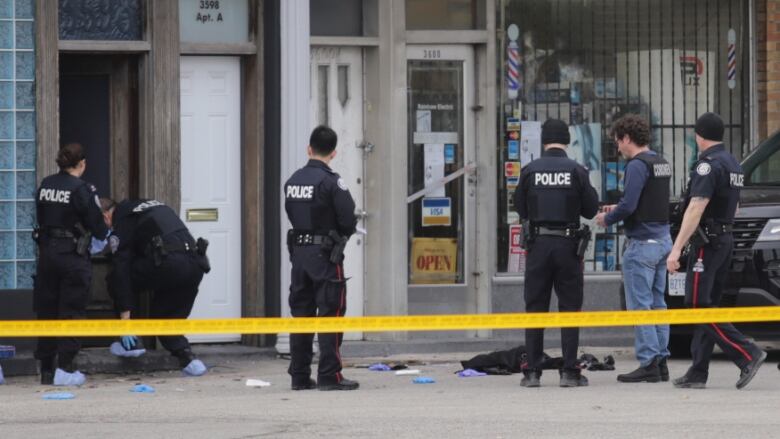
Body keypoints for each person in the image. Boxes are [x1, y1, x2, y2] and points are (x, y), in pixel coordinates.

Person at [666, 112, 767, 389]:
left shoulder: (707, 166)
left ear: (699, 135)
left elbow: (696, 206)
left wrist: (676, 250)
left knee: (697, 305)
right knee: (709, 305)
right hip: (724, 240)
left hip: (707, 244)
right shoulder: (733, 163)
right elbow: (735, 207)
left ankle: (748, 353)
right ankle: (698, 372)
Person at [513, 119, 599, 388]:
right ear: (566, 139)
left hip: (538, 246)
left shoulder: (530, 170)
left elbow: (520, 208)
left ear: (544, 140)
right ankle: (570, 371)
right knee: (570, 308)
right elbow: (591, 210)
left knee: (535, 308)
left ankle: (533, 373)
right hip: (567, 247)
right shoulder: (576, 170)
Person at [595, 114, 673, 383]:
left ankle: (648, 362)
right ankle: (661, 362)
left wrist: (608, 218)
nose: (617, 148)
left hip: (641, 245)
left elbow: (629, 205)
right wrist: (618, 208)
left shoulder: (637, 166)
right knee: (659, 304)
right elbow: (646, 201)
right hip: (663, 241)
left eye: (618, 141)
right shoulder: (660, 162)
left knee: (640, 306)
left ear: (627, 138)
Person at [284, 125, 358, 391]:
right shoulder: (332, 181)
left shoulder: (292, 181)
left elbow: (292, 213)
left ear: (309, 149)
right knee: (331, 313)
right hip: (326, 256)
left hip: (299, 256)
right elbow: (348, 220)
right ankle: (330, 375)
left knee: (301, 314)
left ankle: (300, 376)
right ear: (334, 153)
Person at [104, 198, 211, 376]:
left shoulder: (122, 217)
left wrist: (125, 324)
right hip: (195, 263)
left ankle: (129, 343)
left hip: (169, 262)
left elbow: (121, 268)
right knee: (164, 318)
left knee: (116, 277)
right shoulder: (151, 205)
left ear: (106, 216)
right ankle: (189, 359)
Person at [34, 142, 110, 386]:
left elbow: (41, 217)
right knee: (71, 310)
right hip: (71, 257)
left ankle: (46, 370)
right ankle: (65, 370)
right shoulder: (82, 189)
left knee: (47, 311)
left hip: (47, 254)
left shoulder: (46, 184)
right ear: (82, 164)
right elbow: (98, 227)